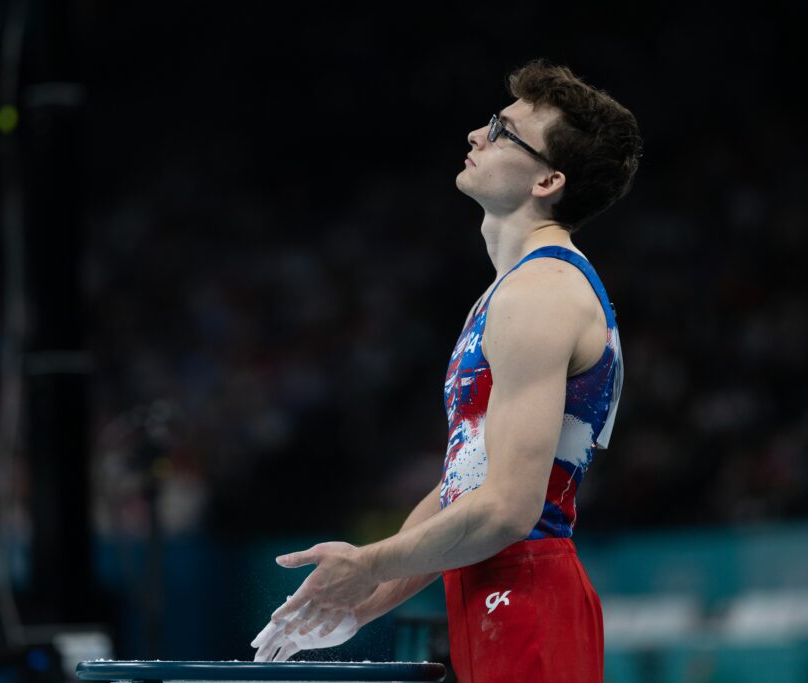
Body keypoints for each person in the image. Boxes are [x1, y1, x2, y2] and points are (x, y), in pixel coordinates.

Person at [251, 58, 642, 682]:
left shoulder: (542, 294)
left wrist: (369, 562)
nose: (476, 135)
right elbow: (468, 483)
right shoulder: (506, 293)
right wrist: (362, 602)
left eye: (503, 131)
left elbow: (511, 509)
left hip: (527, 595)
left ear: (547, 182)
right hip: (495, 591)